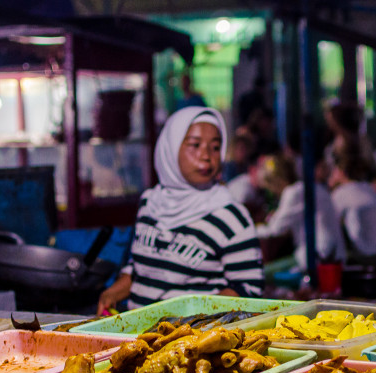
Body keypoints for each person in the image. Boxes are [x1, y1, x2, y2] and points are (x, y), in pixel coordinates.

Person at [96, 107, 264, 313]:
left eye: (215, 147)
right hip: (136, 335)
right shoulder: (150, 203)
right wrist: (112, 293)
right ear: (170, 147)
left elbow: (249, 289)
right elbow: (139, 267)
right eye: (195, 145)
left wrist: (190, 317)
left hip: (190, 340)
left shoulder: (232, 217)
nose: (206, 156)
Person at [256, 153, 345, 270]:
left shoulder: (294, 193)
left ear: (276, 182)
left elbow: (275, 229)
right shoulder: (311, 187)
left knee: (264, 274)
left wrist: (252, 230)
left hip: (320, 257)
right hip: (332, 254)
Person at [329, 150, 376, 264]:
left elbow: (330, 224)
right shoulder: (370, 188)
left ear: (341, 172)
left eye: (333, 171)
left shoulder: (340, 193)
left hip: (369, 254)